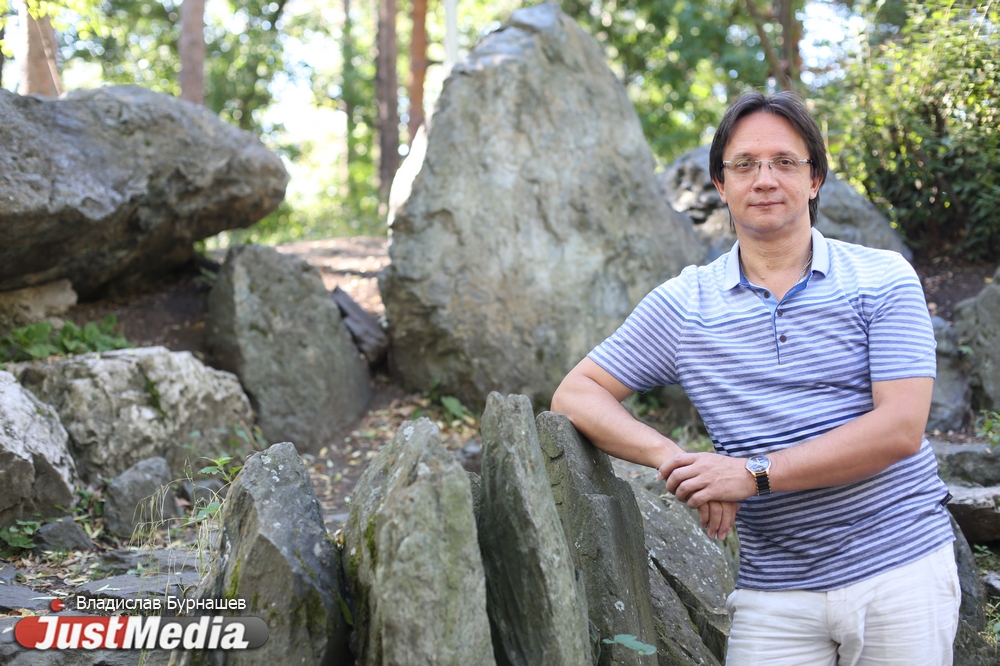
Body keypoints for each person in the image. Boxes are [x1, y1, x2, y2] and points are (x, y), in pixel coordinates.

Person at [550, 90, 960, 665]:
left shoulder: (881, 278)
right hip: (775, 590)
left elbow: (900, 428)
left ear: (814, 179)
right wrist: (678, 462)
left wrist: (752, 474)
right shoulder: (686, 305)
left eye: (784, 162)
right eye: (744, 164)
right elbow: (576, 393)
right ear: (721, 185)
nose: (764, 179)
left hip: (900, 570)